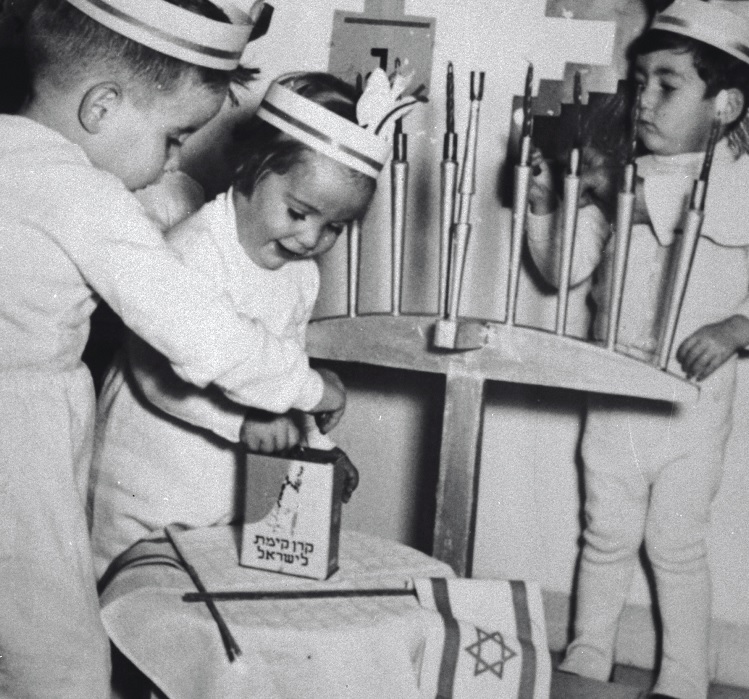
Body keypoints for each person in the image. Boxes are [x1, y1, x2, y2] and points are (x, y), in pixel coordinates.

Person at [0, 1, 350, 697]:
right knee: (59, 659)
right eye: (173, 137)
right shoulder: (83, 194)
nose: (173, 160)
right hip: (20, 441)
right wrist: (308, 387)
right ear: (102, 107)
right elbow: (199, 330)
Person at [88, 70, 418, 580]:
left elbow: (283, 372)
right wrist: (239, 423)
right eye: (298, 212)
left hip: (224, 491)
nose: (311, 238)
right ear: (251, 166)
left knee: (200, 605)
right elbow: (152, 378)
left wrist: (318, 448)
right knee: (125, 601)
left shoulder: (300, 275)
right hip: (145, 484)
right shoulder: (194, 251)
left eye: (334, 227)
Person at [526, 2, 749, 697]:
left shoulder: (739, 185)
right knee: (605, 530)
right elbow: (563, 268)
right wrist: (544, 205)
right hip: (614, 383)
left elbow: (685, 206)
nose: (643, 100)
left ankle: (683, 673)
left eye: (667, 84)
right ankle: (588, 649)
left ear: (725, 104)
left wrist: (736, 329)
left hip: (690, 399)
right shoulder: (618, 178)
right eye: (640, 81)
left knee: (675, 541)